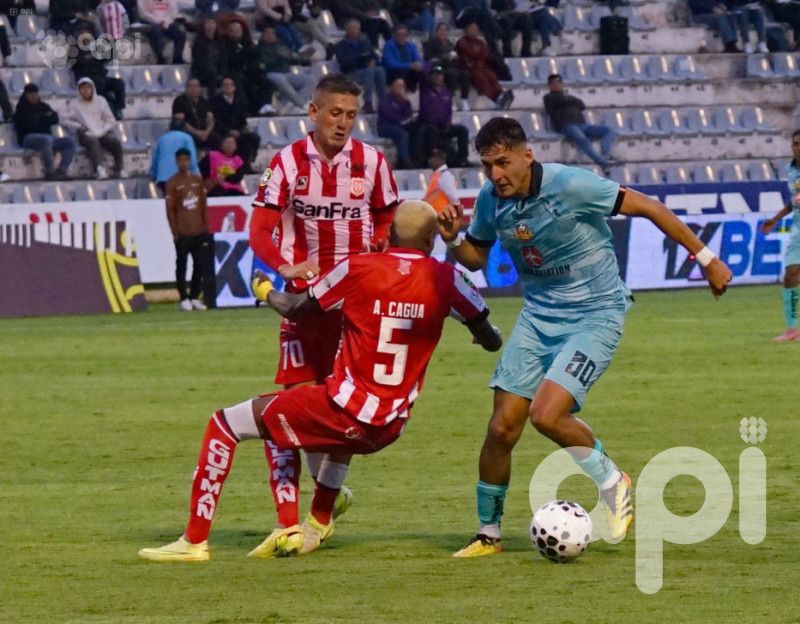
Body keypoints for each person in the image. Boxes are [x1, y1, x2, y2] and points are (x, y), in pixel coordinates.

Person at [137, 199, 503, 561]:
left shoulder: (358, 268)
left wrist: (264, 289)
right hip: (390, 426)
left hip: (342, 410)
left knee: (225, 423)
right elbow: (491, 339)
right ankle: (316, 522)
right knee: (318, 430)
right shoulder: (448, 279)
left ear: (389, 234)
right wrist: (478, 332)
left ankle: (194, 541)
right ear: (430, 242)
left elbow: (294, 308)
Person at [439, 117, 733, 558]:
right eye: (487, 166)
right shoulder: (489, 199)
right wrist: (452, 240)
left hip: (595, 314)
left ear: (526, 155)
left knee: (546, 414)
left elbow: (650, 207)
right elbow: (476, 259)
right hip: (539, 317)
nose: (496, 174)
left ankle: (614, 482)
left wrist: (707, 258)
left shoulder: (571, 185)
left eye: (503, 162)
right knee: (501, 427)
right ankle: (488, 534)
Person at [247, 72, 399, 557]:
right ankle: (294, 517)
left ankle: (317, 515)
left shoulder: (373, 163)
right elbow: (259, 231)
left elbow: (387, 215)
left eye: (351, 115)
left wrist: (380, 240)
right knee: (292, 403)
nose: (343, 123)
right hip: (304, 301)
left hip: (355, 306)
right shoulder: (286, 164)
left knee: (345, 410)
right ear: (313, 113)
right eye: (335, 113)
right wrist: (283, 265)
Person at [759, 130, 800, 342]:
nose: (797, 147)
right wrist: (775, 219)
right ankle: (792, 330)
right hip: (798, 228)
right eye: (795, 144)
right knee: (791, 273)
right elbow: (795, 201)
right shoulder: (791, 170)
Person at [164, 147, 215, 311]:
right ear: (176, 162)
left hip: (199, 230)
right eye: (180, 160)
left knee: (199, 264)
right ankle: (183, 297)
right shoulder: (172, 182)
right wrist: (175, 231)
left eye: (186, 160)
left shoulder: (197, 180)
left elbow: (203, 206)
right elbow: (170, 210)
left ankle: (194, 297)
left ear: (190, 161)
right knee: (182, 265)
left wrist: (206, 226)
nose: (183, 163)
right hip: (182, 231)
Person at [543, 73, 617, 174]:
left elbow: (581, 105)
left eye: (559, 82)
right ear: (549, 85)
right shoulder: (548, 97)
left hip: (582, 125)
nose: (557, 85)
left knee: (608, 130)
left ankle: (605, 155)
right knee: (584, 141)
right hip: (566, 125)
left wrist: (568, 101)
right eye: (554, 83)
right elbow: (562, 101)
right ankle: (603, 163)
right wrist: (570, 101)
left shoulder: (568, 98)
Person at [63, 77, 126, 180]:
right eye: (83, 88)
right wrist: (78, 126)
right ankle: (99, 169)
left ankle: (120, 169)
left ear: (92, 89)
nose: (86, 90)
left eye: (88, 87)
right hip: (86, 132)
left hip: (102, 131)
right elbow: (64, 119)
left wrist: (103, 129)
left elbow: (110, 119)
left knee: (115, 142)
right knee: (92, 141)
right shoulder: (74, 103)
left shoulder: (101, 101)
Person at [13, 83, 76, 181]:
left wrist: (39, 118)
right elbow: (28, 124)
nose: (33, 96)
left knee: (69, 142)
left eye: (35, 93)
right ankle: (50, 172)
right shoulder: (21, 108)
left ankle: (62, 171)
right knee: (46, 140)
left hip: (47, 136)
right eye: (30, 94)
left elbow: (54, 118)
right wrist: (44, 118)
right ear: (25, 95)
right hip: (28, 137)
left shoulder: (43, 106)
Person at [418, 66, 471, 169]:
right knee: (431, 131)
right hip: (429, 125)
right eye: (435, 75)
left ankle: (462, 159)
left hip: (444, 126)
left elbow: (448, 111)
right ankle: (429, 159)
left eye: (440, 75)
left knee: (462, 130)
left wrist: (447, 123)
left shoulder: (447, 92)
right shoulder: (425, 90)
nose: (437, 77)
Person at [456, 21, 514, 111]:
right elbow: (470, 53)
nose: (474, 31)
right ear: (466, 30)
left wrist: (478, 54)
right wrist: (479, 54)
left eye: (476, 29)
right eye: (472, 29)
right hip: (471, 68)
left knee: (492, 76)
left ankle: (501, 95)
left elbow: (486, 54)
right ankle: (495, 99)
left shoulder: (480, 42)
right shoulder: (462, 42)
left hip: (483, 66)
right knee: (481, 79)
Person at [255, 27, 314, 115]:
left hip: (287, 73)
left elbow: (292, 58)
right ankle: (300, 105)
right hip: (272, 73)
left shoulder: (281, 45)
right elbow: (264, 64)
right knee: (283, 82)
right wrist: (280, 57)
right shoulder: (259, 49)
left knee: (311, 80)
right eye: (267, 33)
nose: (270, 36)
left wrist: (302, 58)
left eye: (272, 33)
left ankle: (300, 103)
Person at [333, 18, 386, 114]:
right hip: (350, 73)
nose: (353, 31)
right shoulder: (340, 46)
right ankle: (368, 102)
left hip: (366, 69)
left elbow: (374, 55)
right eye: (351, 28)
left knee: (379, 70)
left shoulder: (365, 42)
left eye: (355, 28)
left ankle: (383, 102)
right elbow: (344, 62)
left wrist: (374, 61)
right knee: (369, 71)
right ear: (346, 29)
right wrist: (361, 60)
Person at [377, 76, 431, 170]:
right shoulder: (386, 98)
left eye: (402, 86)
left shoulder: (404, 100)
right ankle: (403, 159)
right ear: (392, 86)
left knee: (419, 130)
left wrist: (406, 102)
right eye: (398, 85)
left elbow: (409, 113)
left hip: (401, 124)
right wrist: (401, 120)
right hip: (386, 125)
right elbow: (388, 114)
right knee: (403, 134)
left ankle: (417, 159)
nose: (400, 88)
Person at [210, 75, 261, 171]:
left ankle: (247, 164)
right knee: (217, 139)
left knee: (254, 138)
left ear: (234, 87)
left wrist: (241, 129)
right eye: (225, 85)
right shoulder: (215, 102)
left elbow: (243, 118)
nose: (228, 87)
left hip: (238, 130)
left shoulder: (239, 101)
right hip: (223, 132)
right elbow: (215, 120)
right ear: (222, 87)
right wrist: (229, 131)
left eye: (230, 85)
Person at [423, 22, 472, 112]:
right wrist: (443, 57)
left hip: (451, 66)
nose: (443, 32)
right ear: (437, 31)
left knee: (465, 74)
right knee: (451, 74)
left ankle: (464, 99)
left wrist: (455, 57)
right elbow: (429, 58)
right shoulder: (430, 43)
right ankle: (451, 99)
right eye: (441, 30)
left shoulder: (450, 45)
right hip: (438, 68)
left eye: (446, 30)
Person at [148, 117, 200, 193]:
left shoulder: (162, 138)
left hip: (164, 178)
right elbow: (191, 159)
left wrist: (153, 174)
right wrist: (196, 174)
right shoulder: (187, 138)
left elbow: (156, 159)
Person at [172, 77, 221, 151]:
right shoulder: (180, 101)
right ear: (186, 88)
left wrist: (206, 133)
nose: (193, 89)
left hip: (204, 132)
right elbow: (181, 122)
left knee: (217, 138)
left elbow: (211, 120)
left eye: (196, 86)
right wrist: (197, 133)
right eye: (191, 86)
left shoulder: (204, 101)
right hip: (188, 132)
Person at [137, 0, 187, 64]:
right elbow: (143, 14)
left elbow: (174, 12)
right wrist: (157, 21)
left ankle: (177, 58)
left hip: (168, 22)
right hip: (151, 22)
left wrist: (166, 21)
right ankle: (160, 58)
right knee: (156, 30)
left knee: (180, 29)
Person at [381, 25, 424, 93]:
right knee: (400, 73)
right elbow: (391, 64)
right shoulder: (389, 45)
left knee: (423, 73)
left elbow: (418, 58)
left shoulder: (411, 45)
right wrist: (409, 65)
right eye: (399, 35)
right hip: (393, 73)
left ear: (407, 36)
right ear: (395, 35)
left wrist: (418, 64)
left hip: (408, 71)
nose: (401, 37)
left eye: (404, 35)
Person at [190, 18, 225, 93]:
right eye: (208, 23)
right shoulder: (198, 42)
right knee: (212, 73)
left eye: (212, 23)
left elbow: (223, 60)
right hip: (201, 73)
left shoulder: (221, 42)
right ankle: (212, 100)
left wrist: (221, 73)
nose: (210, 26)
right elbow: (198, 60)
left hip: (217, 73)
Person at [423, 146, 460, 214]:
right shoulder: (437, 175)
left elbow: (453, 196)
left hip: (442, 215)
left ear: (439, 160)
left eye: (431, 159)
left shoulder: (445, 175)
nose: (429, 161)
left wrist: (456, 214)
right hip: (435, 214)